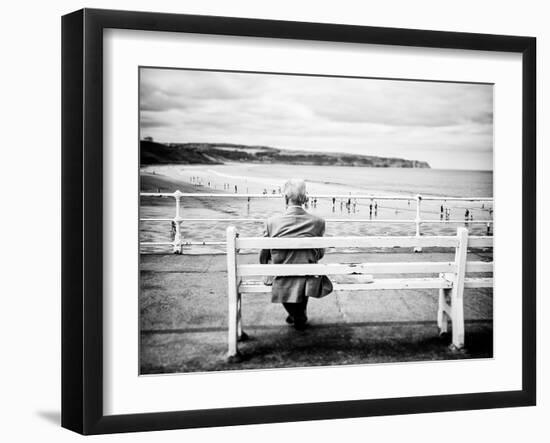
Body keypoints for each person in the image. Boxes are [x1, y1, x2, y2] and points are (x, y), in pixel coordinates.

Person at [259, 179, 333, 330]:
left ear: (285, 198)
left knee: (286, 272)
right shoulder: (318, 222)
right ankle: (299, 314)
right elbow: (320, 254)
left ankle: (296, 314)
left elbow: (263, 256)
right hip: (309, 274)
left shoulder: (271, 222)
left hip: (281, 275)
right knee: (305, 270)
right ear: (305, 198)